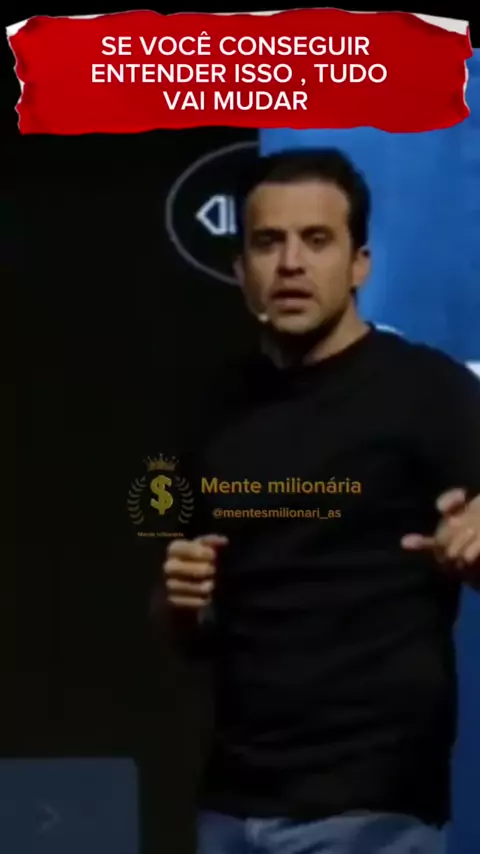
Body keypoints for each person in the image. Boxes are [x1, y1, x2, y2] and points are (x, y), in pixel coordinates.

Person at [160, 149, 480, 854]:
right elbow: (186, 622)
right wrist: (182, 601)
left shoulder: (431, 390)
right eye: (268, 242)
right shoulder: (209, 408)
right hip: (230, 807)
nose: (291, 264)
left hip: (373, 809)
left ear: (359, 264)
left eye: (316, 239)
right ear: (241, 269)